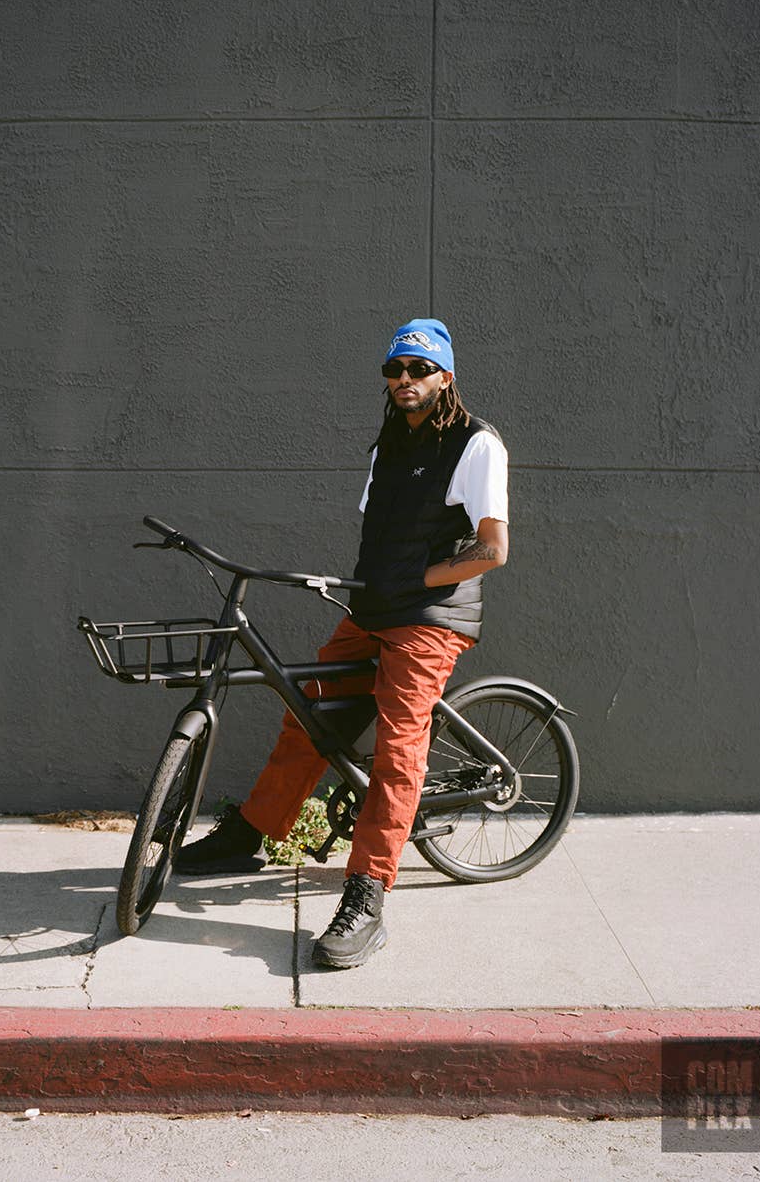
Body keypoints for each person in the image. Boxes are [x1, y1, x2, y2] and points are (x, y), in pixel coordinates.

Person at [175, 319, 509, 969]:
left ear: (445, 378)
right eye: (395, 369)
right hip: (374, 608)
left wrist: (420, 579)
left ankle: (367, 894)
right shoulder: (388, 445)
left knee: (397, 745)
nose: (405, 381)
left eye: (419, 370)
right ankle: (252, 832)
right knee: (309, 714)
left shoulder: (476, 445)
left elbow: (492, 550)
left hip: (433, 617)